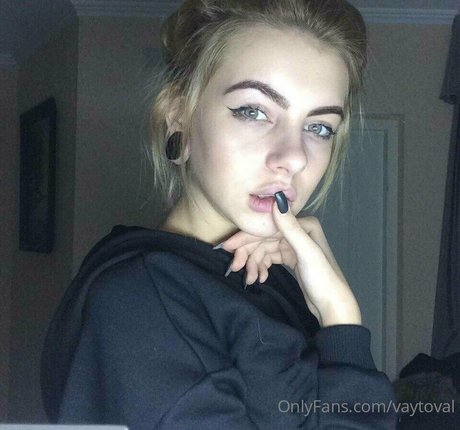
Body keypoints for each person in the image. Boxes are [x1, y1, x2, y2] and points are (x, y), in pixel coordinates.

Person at [55, 0, 397, 428]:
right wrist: (343, 326)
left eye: (319, 127)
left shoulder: (270, 280)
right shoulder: (143, 302)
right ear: (178, 115)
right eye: (253, 111)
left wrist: (334, 312)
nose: (293, 157)